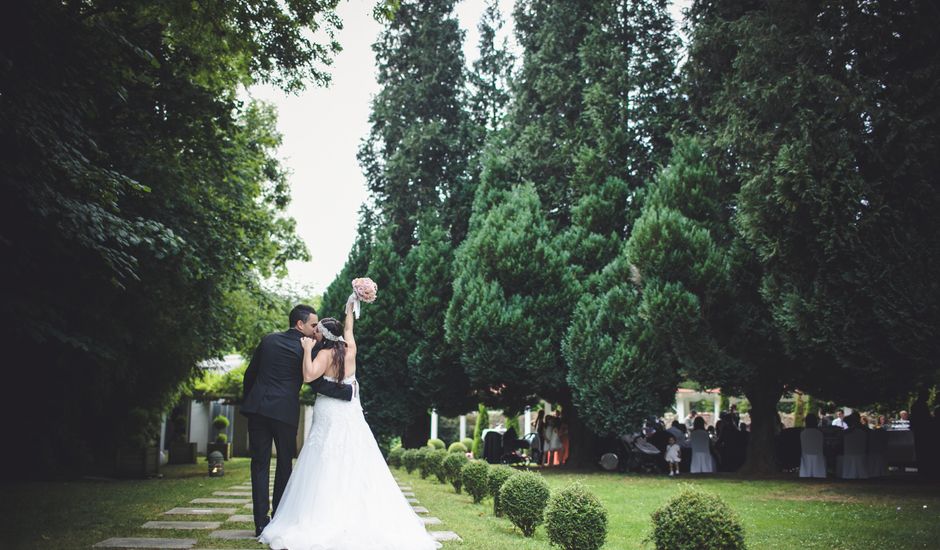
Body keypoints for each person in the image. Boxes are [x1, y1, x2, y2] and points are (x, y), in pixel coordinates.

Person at [259, 299, 437, 549]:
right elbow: (349, 329)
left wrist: (308, 349)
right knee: (353, 455)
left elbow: (309, 375)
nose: (315, 332)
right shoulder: (349, 349)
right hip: (349, 413)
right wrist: (349, 310)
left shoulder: (324, 354)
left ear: (324, 335)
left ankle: (322, 514)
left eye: (318, 330)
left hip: (329, 411)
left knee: (324, 457)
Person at [241, 304, 354, 537]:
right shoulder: (308, 348)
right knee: (284, 465)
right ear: (300, 324)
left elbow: (250, 374)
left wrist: (250, 401)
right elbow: (316, 382)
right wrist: (346, 393)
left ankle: (260, 522)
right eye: (313, 325)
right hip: (284, 413)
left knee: (259, 465)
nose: (316, 330)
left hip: (258, 410)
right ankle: (279, 518)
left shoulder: (269, 340)